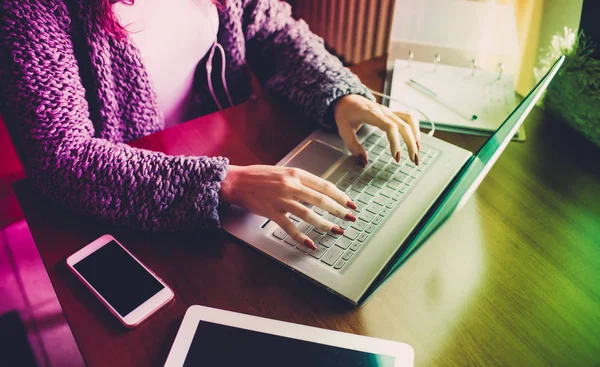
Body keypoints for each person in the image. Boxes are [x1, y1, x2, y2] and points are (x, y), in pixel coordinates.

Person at [0, 0, 420, 250]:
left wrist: (341, 94)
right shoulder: (29, 9)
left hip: (231, 156)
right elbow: (62, 156)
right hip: (128, 195)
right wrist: (225, 184)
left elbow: (275, 31)